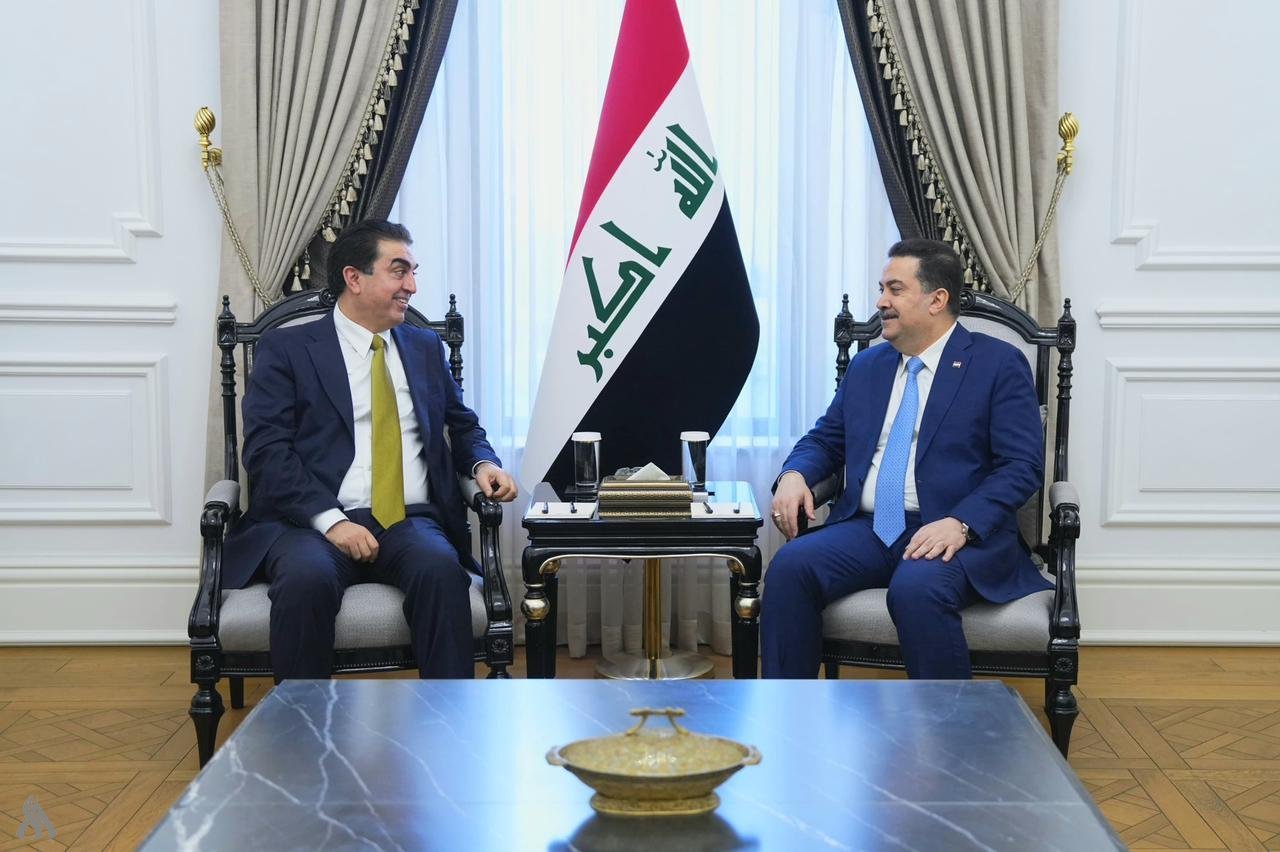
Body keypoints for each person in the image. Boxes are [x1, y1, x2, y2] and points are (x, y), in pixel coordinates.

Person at [222, 220, 518, 679]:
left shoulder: (423, 346)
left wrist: (482, 463)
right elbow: (266, 451)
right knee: (305, 581)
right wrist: (332, 521)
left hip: (408, 519)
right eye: (399, 271)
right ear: (354, 278)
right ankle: (302, 721)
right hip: (309, 524)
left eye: (414, 273)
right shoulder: (287, 348)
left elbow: (461, 425)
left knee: (441, 571)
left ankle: (448, 716)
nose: (412, 286)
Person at [762, 239, 1049, 679]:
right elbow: (826, 439)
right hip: (870, 529)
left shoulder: (997, 364)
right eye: (881, 289)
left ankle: (946, 721)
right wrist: (794, 474)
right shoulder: (868, 367)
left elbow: (1021, 465)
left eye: (895, 290)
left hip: (953, 532)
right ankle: (789, 711)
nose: (881, 301)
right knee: (790, 566)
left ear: (937, 300)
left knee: (916, 589)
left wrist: (961, 522)